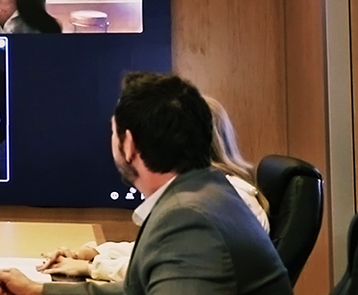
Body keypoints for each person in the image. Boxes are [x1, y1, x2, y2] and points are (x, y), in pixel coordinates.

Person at [0, 73, 295, 295]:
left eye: (113, 132)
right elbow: (146, 292)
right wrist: (41, 294)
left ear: (129, 145)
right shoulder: (206, 195)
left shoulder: (194, 220)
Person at [38, 95, 270, 283]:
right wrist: (93, 254)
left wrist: (91, 268)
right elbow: (157, 252)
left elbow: (166, 269)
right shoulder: (209, 191)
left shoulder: (222, 202)